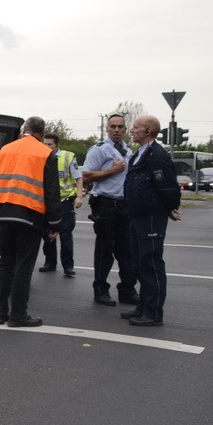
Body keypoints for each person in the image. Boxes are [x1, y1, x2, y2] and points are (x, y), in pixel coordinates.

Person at [0, 116, 61, 327]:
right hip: (30, 217)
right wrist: (54, 225)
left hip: (4, 215)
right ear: (42, 134)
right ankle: (18, 315)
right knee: (23, 268)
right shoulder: (46, 154)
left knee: (5, 264)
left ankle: (0, 314)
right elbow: (52, 192)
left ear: (24, 129)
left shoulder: (5, 150)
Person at [122, 115, 182, 327]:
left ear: (147, 130)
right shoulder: (141, 153)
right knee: (139, 262)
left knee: (150, 262)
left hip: (150, 216)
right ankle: (143, 306)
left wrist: (170, 208)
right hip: (137, 214)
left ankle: (153, 313)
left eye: (136, 127)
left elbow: (168, 187)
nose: (131, 130)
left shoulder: (157, 155)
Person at [82, 114, 138, 307]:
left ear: (124, 129)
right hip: (105, 205)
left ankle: (127, 290)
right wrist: (111, 171)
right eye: (113, 126)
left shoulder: (128, 150)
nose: (116, 130)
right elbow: (86, 175)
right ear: (107, 128)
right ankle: (100, 290)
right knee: (105, 250)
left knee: (126, 251)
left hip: (125, 206)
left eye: (120, 127)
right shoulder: (99, 150)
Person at [38, 133, 85, 277]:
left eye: (49, 144)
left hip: (64, 201)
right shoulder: (41, 157)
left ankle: (68, 266)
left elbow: (78, 177)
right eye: (44, 144)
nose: (46, 147)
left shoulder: (67, 157)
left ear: (57, 144)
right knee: (47, 234)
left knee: (65, 235)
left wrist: (79, 196)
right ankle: (50, 263)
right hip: (48, 202)